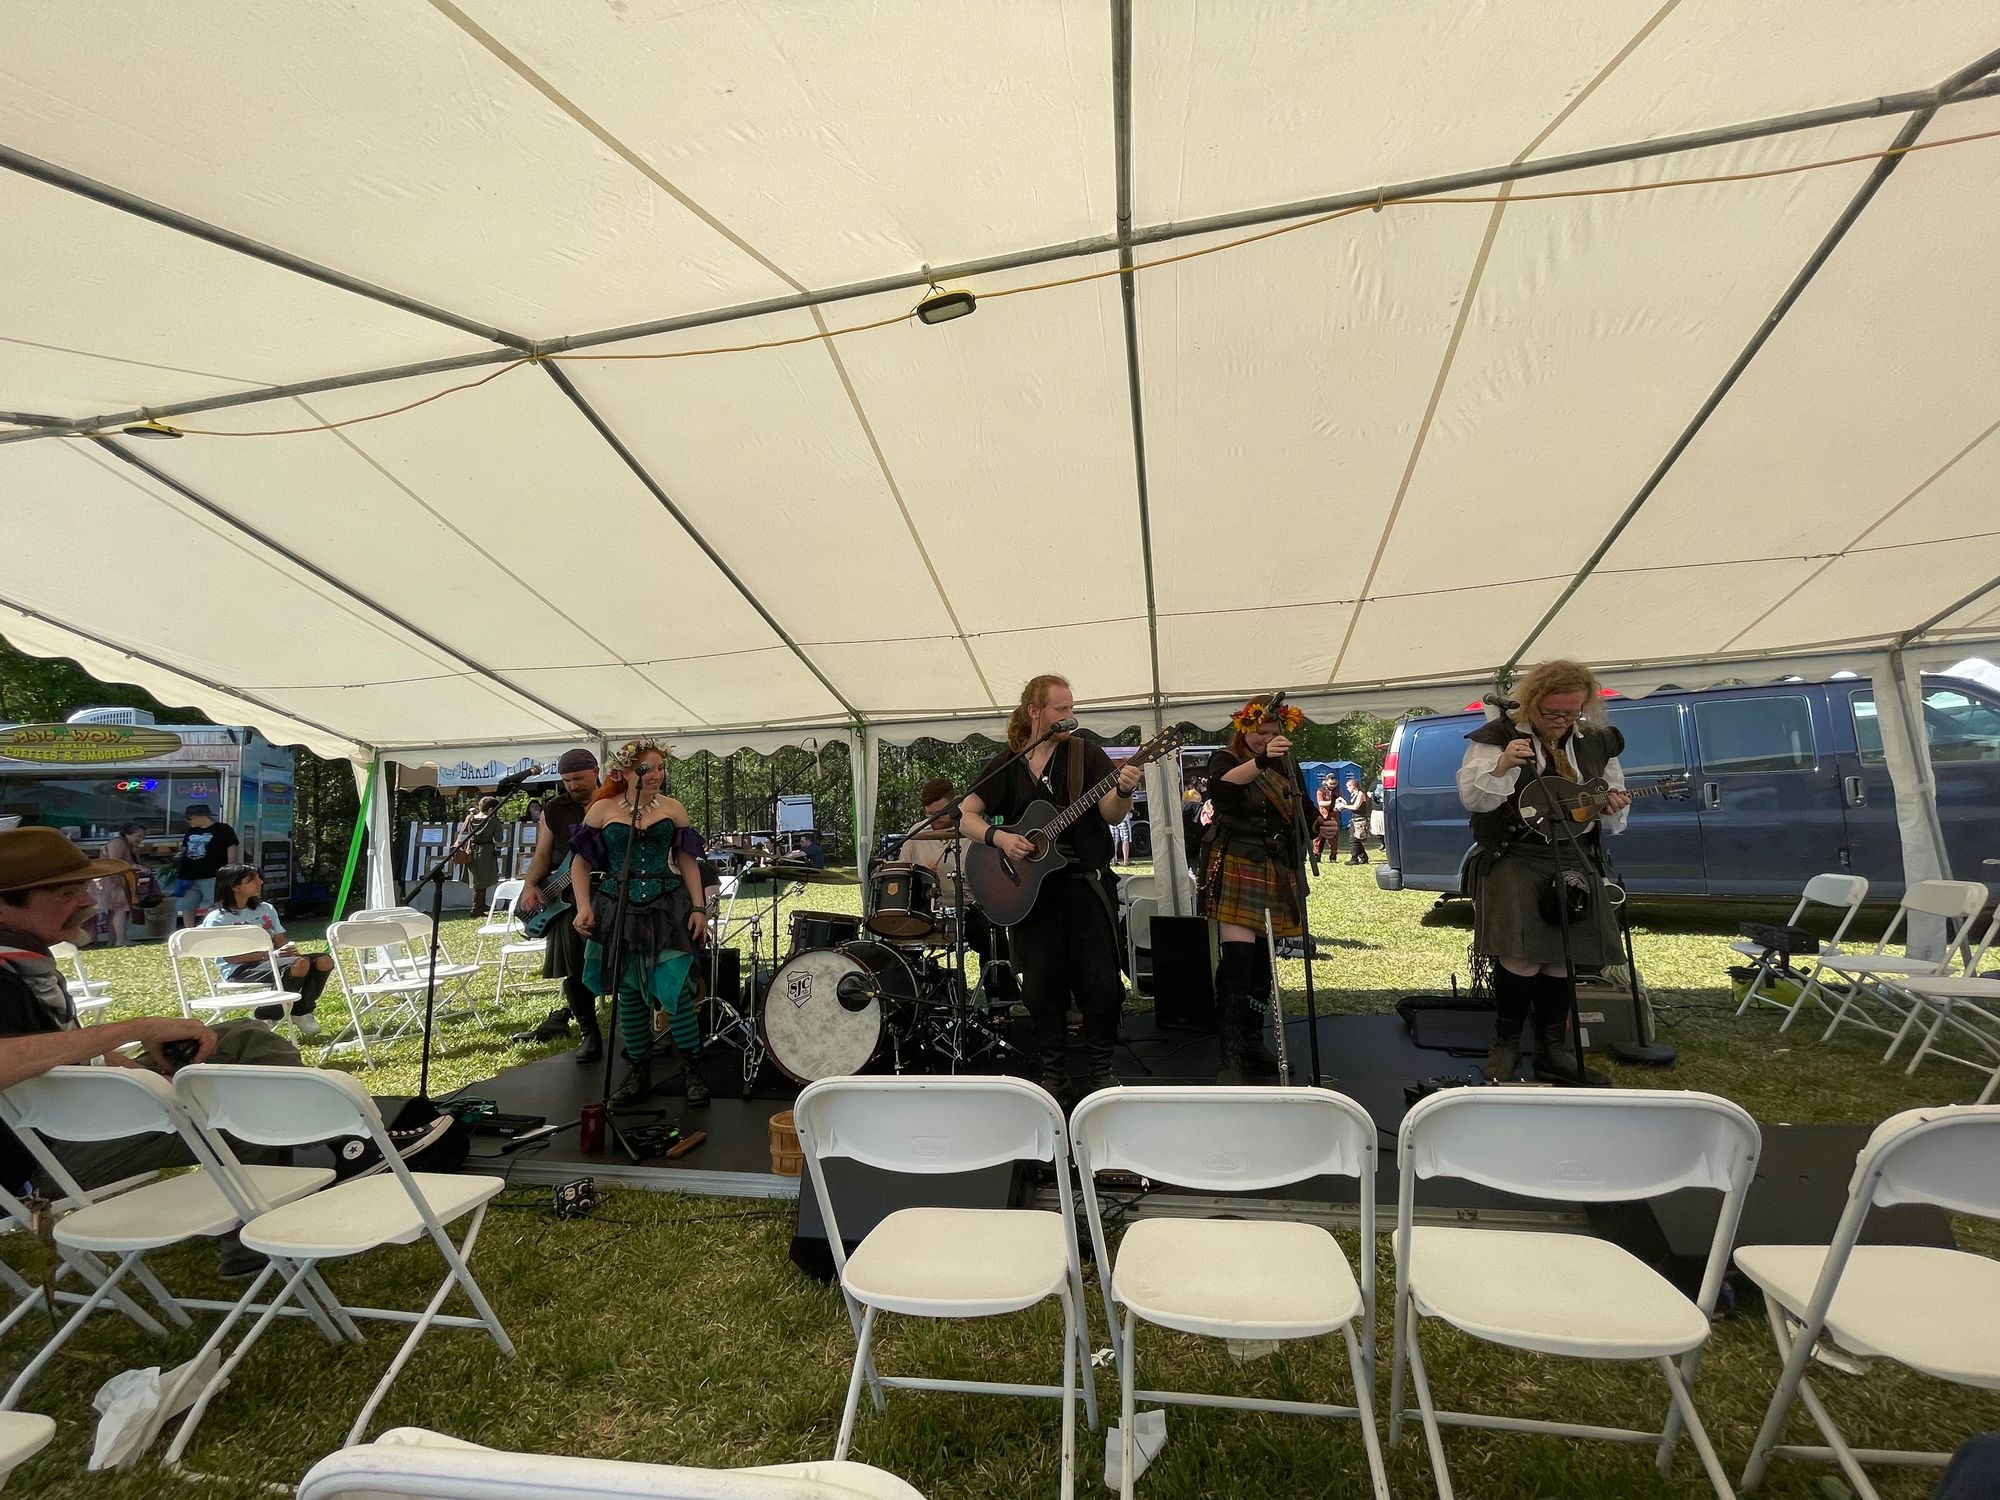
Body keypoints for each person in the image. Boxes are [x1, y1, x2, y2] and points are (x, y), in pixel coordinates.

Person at [0, 827, 302, 1276]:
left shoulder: (28, 962)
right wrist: (136, 1028)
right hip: (36, 1165)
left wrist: (143, 1075)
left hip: (65, 1118)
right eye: (67, 892)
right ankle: (257, 1241)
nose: (87, 901)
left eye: (84, 887)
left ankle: (313, 1148)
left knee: (243, 1037)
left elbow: (62, 1058)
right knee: (241, 1114)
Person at [958, 675, 1142, 1100]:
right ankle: (1053, 1072)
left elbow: (1112, 815)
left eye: (1070, 707)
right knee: (1041, 987)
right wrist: (1000, 839)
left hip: (1084, 888)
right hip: (1031, 895)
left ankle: (1100, 1071)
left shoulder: (1086, 755)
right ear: (1034, 712)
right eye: (1060, 709)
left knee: (1100, 984)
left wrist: (1125, 791)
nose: (1069, 715)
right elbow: (966, 814)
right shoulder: (1009, 762)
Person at [1457, 659, 1630, 1084]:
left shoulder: (1595, 741)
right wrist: (1502, 767)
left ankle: (1553, 1048)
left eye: (1572, 713)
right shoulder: (1498, 737)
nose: (1562, 721)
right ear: (1532, 703)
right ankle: (1507, 1045)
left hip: (1573, 854)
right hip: (1516, 854)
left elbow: (1604, 793)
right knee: (1520, 955)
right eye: (1553, 713)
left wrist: (1611, 804)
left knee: (1561, 959)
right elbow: (1472, 798)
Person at [571, 740, 710, 1106]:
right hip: (618, 907)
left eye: (662, 768)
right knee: (629, 991)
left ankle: (692, 1070)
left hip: (666, 906)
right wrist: (583, 907)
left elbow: (687, 859)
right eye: (650, 769)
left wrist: (699, 907)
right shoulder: (602, 810)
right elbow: (580, 863)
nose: (658, 775)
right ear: (628, 771)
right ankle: (639, 1071)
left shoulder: (672, 808)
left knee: (675, 989)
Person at [1198, 695, 1309, 1084]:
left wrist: (1322, 826)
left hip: (1275, 866)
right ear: (1245, 730)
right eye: (1260, 733)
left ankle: (1250, 1042)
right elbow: (1222, 790)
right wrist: (1261, 761)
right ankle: (1228, 1056)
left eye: (1273, 732)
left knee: (1263, 966)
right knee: (1238, 963)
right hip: (1238, 862)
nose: (1267, 739)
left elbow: (1304, 812)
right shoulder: (1225, 758)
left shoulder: (1288, 765)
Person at [514, 750, 605, 1062]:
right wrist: (529, 885)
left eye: (578, 778)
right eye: (566, 780)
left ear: (595, 771)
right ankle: (589, 1033)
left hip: (608, 890)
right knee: (574, 968)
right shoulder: (554, 809)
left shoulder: (614, 801)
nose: (571, 785)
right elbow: (543, 854)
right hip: (565, 900)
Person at [200, 863, 329, 1039]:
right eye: (252, 879)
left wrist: (288, 950)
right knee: (300, 964)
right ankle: (266, 1015)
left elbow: (279, 941)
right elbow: (230, 957)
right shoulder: (218, 918)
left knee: (323, 961)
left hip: (274, 961)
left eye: (259, 877)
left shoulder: (265, 909)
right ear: (234, 886)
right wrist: (271, 955)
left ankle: (300, 1010)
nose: (260, 882)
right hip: (240, 969)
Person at [173, 803, 238, 927]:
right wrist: (177, 855)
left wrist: (229, 869)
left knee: (214, 903)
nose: (188, 821)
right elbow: (184, 848)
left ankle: (211, 926)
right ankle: (189, 930)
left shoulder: (223, 829)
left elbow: (232, 847)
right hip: (188, 875)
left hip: (213, 874)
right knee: (187, 905)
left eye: (189, 818)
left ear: (200, 816)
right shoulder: (191, 831)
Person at [91, 822, 147, 946]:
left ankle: (113, 940)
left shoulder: (127, 845)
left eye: (143, 837)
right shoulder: (118, 842)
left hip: (115, 880)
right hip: (114, 881)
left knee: (114, 911)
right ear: (128, 834)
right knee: (121, 909)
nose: (141, 839)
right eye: (138, 836)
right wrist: (136, 866)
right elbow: (114, 862)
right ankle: (121, 940)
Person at [459, 795, 505, 918]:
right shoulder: (493, 821)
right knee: (481, 880)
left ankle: (481, 904)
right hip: (486, 851)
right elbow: (499, 838)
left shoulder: (471, 818)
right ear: (491, 809)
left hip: (472, 850)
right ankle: (476, 908)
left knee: (477, 879)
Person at [1338, 777, 1371, 864]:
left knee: (1354, 840)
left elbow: (1355, 807)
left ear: (1353, 786)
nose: (1347, 789)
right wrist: (1342, 803)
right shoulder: (1354, 795)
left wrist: (1343, 806)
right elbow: (1351, 806)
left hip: (1360, 820)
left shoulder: (1360, 794)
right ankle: (1364, 858)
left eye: (1348, 787)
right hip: (1354, 820)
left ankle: (1354, 858)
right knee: (1355, 839)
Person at [1310, 778, 1338, 876]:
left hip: (1333, 817)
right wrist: (1334, 802)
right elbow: (1321, 803)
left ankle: (1333, 856)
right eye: (1331, 783)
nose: (1333, 785)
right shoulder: (1320, 791)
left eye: (1335, 783)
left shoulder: (1337, 791)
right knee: (1319, 837)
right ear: (1326, 782)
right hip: (1322, 816)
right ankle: (1317, 856)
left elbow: (1341, 801)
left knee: (1333, 838)